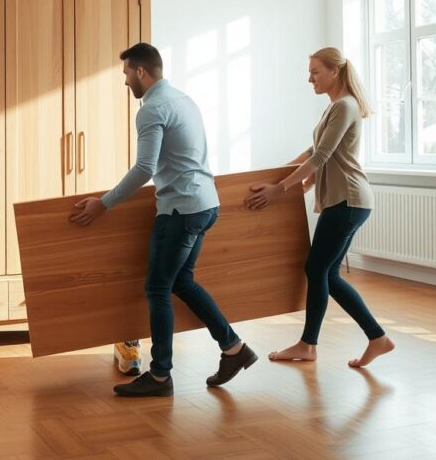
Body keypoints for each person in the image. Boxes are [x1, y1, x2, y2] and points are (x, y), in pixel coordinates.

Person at [71, 42, 256, 397]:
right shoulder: (184, 99)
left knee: (158, 288)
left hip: (181, 210)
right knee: (182, 282)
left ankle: (159, 376)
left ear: (141, 71)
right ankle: (234, 348)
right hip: (205, 204)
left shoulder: (152, 108)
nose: (125, 81)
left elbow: (145, 167)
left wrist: (104, 204)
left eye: (126, 73)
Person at [244, 47, 394, 368]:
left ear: (334, 72)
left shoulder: (345, 107)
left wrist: (279, 189)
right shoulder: (334, 108)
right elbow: (316, 150)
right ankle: (377, 338)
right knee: (329, 273)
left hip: (348, 200)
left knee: (316, 269)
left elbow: (321, 157)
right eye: (310, 71)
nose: (309, 78)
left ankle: (308, 344)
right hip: (347, 201)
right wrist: (281, 175)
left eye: (315, 72)